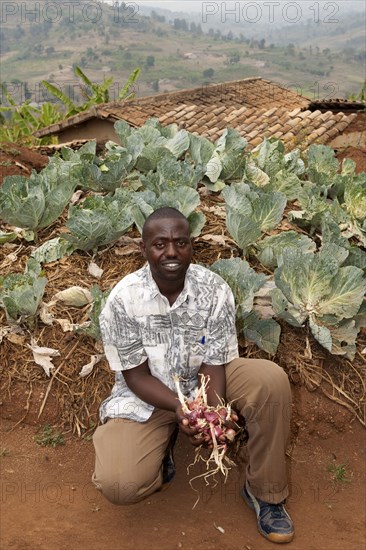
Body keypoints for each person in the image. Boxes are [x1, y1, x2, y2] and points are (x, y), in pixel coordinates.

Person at [93, 207, 294, 544]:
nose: (171, 252)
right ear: (144, 249)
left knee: (269, 380)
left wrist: (213, 414)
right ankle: (159, 452)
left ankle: (266, 493)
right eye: (160, 244)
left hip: (206, 378)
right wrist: (181, 408)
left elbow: (215, 362)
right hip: (150, 393)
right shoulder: (122, 300)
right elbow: (136, 377)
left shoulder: (213, 289)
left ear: (191, 246)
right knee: (120, 484)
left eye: (180, 242)